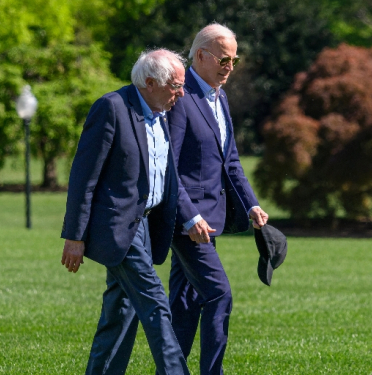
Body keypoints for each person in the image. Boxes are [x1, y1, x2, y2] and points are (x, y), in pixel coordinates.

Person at [60, 49, 191, 375]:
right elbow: (83, 176)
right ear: (149, 82)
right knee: (155, 303)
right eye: (175, 85)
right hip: (116, 226)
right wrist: (74, 236)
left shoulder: (162, 113)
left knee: (122, 310)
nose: (181, 93)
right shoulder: (111, 108)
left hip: (145, 227)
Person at [166, 24, 269, 375]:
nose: (230, 67)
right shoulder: (180, 99)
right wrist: (189, 215)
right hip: (190, 224)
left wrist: (251, 203)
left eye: (234, 60)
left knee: (185, 301)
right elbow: (170, 167)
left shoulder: (219, 96)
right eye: (225, 59)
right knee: (219, 294)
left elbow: (231, 160)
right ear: (200, 56)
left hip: (212, 220)